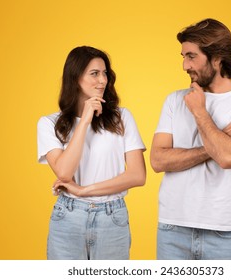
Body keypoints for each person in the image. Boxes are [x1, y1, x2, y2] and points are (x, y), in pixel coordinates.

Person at [150, 18, 231, 260]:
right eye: (182, 56)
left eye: (191, 56)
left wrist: (200, 111)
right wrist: (219, 139)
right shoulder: (174, 100)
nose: (184, 65)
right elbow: (158, 160)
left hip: (221, 232)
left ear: (217, 57)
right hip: (172, 229)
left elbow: (227, 157)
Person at [37, 46, 146, 260]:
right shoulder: (49, 123)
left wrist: (84, 191)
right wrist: (85, 120)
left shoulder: (121, 117)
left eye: (105, 73)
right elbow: (64, 173)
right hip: (68, 217)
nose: (103, 80)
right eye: (94, 74)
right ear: (75, 78)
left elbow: (137, 175)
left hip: (112, 216)